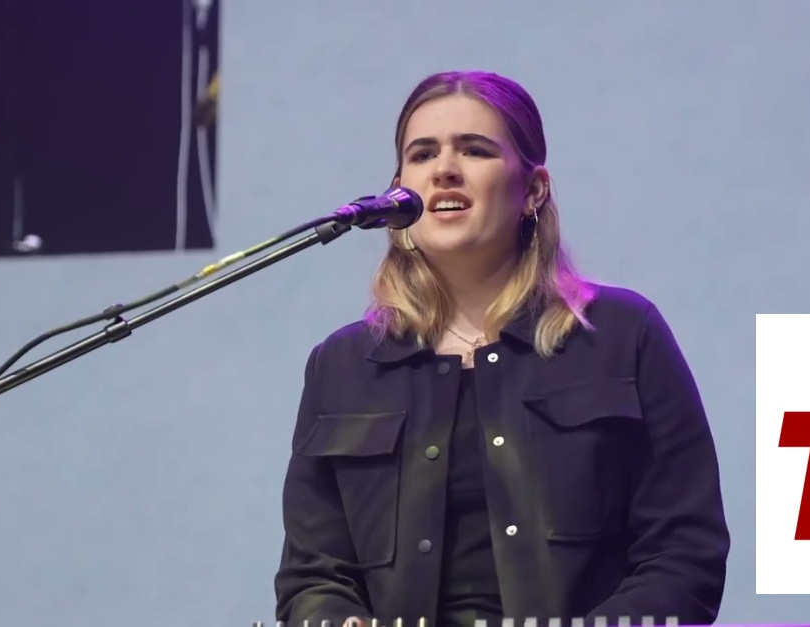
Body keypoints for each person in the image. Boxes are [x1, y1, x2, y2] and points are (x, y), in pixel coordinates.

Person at [273, 70, 730, 627]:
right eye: (422, 154)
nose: (444, 169)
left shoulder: (622, 335)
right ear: (398, 196)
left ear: (533, 189)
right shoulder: (343, 367)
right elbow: (312, 576)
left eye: (475, 150)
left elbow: (684, 555)